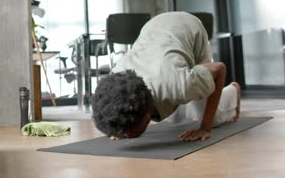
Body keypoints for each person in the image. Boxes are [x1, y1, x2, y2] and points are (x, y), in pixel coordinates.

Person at [92, 12, 241, 142]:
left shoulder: (180, 84)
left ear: (147, 108)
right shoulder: (116, 77)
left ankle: (233, 91)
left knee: (207, 116)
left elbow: (220, 69)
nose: (129, 136)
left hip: (189, 27)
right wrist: (120, 128)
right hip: (154, 28)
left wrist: (205, 127)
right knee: (176, 119)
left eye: (133, 131)